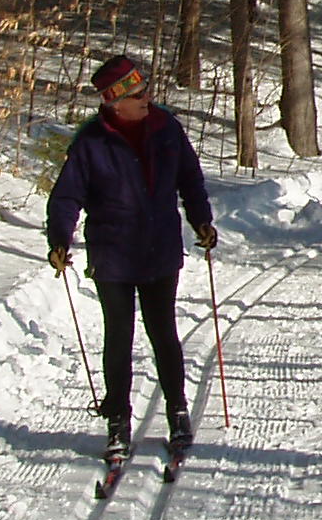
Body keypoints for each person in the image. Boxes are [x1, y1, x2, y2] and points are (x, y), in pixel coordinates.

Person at [47, 54, 217, 475]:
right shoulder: (91, 142)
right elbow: (67, 196)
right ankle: (117, 420)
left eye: (146, 92)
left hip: (159, 250)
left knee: (164, 333)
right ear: (114, 101)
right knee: (118, 338)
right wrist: (59, 240)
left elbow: (190, 179)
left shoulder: (166, 129)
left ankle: (178, 411)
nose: (147, 99)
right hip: (113, 255)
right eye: (138, 95)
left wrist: (201, 220)